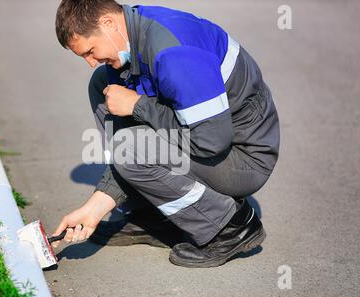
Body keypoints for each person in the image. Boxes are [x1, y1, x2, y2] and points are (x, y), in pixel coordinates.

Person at [51, 0, 280, 268]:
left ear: (109, 23)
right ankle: (154, 212)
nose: (91, 62)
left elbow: (211, 141)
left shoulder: (174, 53)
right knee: (102, 85)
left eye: (90, 51)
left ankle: (229, 226)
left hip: (243, 156)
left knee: (130, 146)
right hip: (213, 142)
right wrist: (94, 209)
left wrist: (138, 105)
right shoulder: (134, 33)